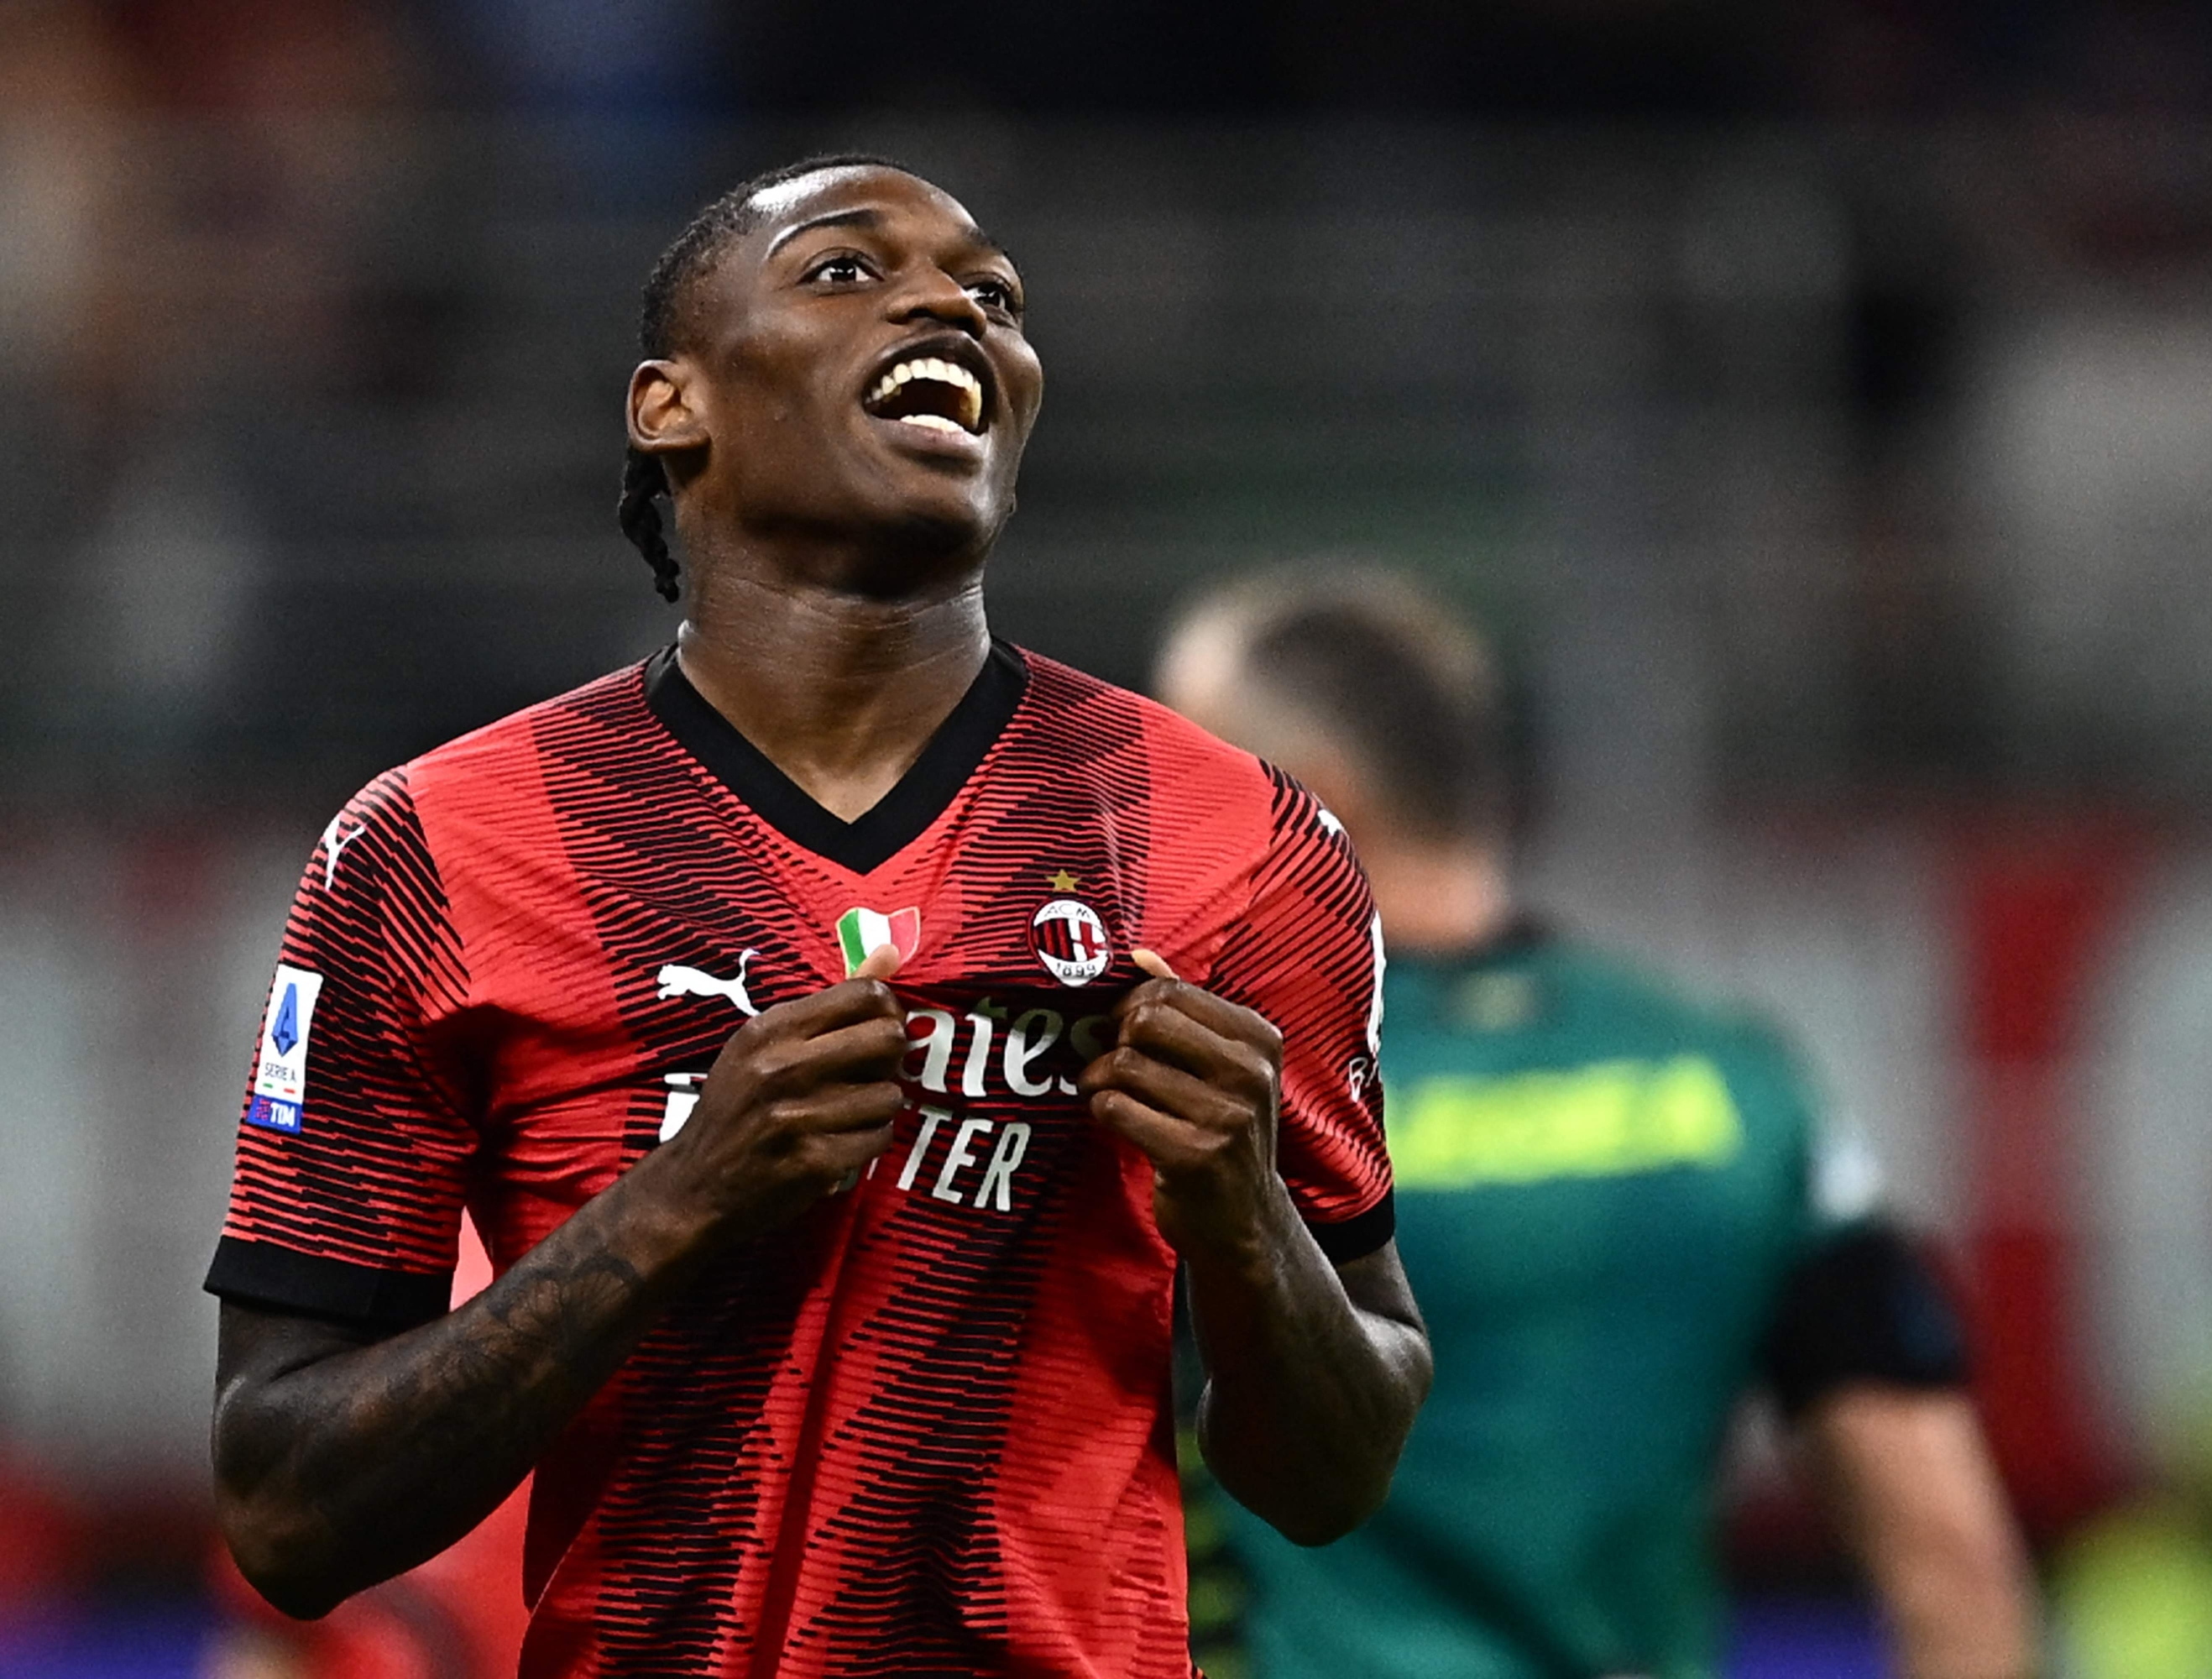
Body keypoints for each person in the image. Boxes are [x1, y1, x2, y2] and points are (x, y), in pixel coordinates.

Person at [202, 155, 1431, 1677]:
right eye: (847, 271)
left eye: (995, 297)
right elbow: (284, 1513)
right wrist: (676, 1205)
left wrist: (1245, 1223)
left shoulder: (1243, 843)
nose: (950, 304)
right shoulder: (432, 851)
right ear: (673, 406)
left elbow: (1340, 1473)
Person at [1156, 571, 2037, 1679]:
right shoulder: (1735, 1085)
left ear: (1311, 803)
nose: (1142, 833)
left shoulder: (1215, 1093)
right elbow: (1954, 1561)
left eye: (1179, 785)